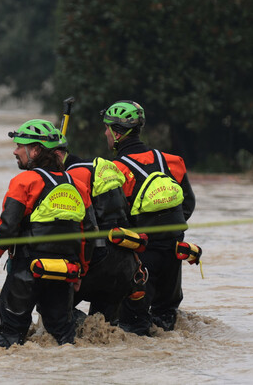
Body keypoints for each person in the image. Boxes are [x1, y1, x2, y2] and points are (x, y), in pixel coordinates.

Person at [0, 120, 93, 346]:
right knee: (63, 337)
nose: (15, 151)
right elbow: (89, 233)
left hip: (26, 271)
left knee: (10, 338)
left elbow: (8, 227)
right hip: (65, 273)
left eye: (19, 146)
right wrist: (80, 271)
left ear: (35, 150)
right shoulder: (78, 185)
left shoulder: (24, 181)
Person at [101, 100, 196, 335]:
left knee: (134, 328)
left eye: (107, 128)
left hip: (141, 257)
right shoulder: (173, 162)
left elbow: (112, 220)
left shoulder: (115, 170)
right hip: (174, 252)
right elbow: (188, 204)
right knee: (166, 322)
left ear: (116, 132)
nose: (105, 133)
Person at [58, 133, 148, 326]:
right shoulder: (103, 168)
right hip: (124, 264)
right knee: (104, 326)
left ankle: (81, 330)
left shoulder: (72, 176)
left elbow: (77, 227)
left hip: (96, 262)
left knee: (53, 309)